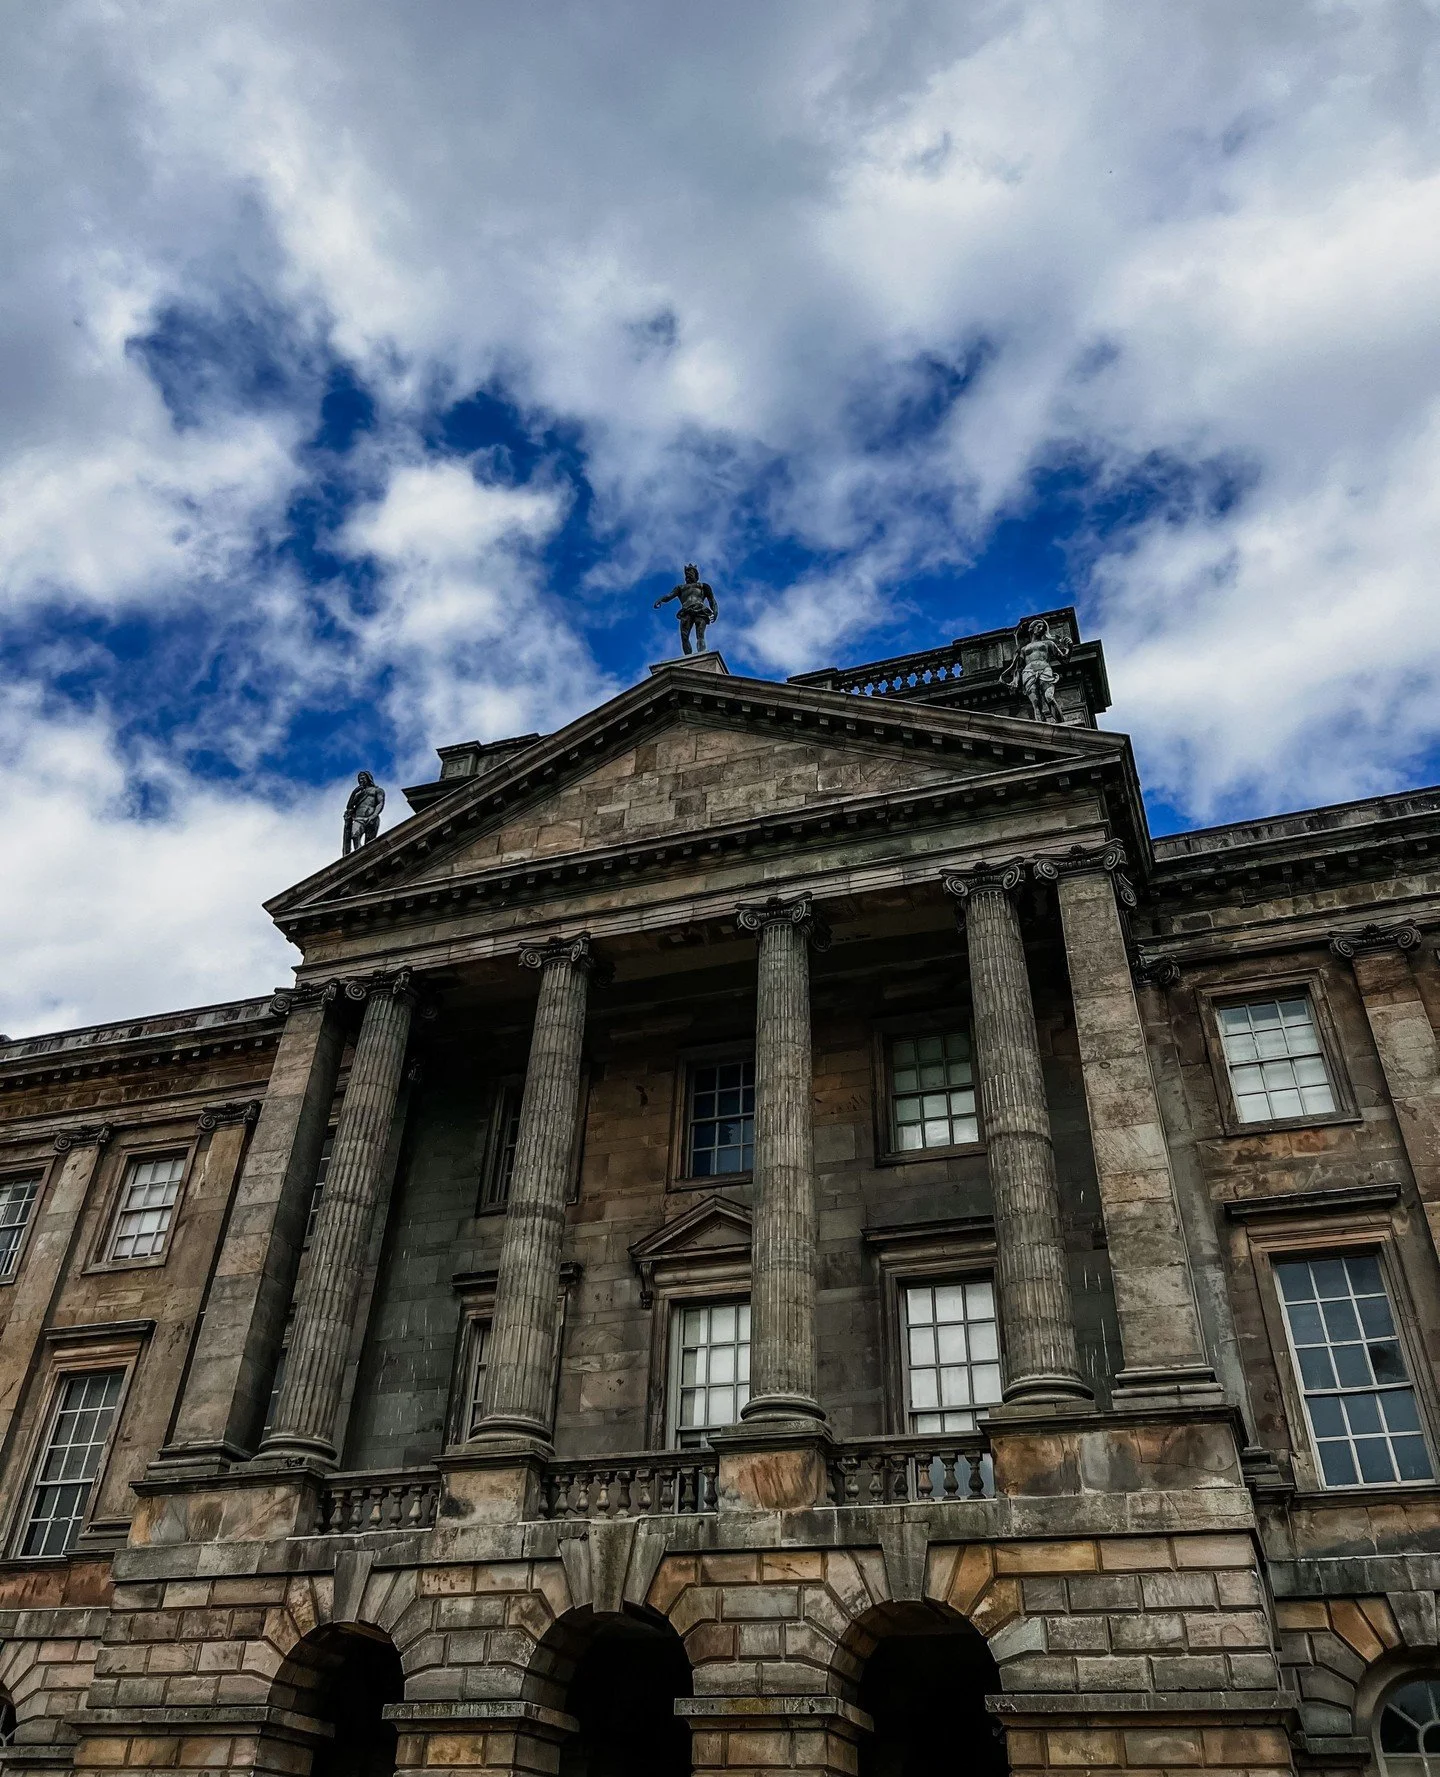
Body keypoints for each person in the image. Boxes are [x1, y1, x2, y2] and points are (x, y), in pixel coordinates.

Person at [1001, 617, 1071, 723]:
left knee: (1049, 697)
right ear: (1032, 629)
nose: (1041, 629)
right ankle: (1043, 728)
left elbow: (1064, 660)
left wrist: (1070, 647)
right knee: (1036, 704)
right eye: (1039, 626)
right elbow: (1018, 668)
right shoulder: (1023, 649)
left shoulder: (1049, 644)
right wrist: (1015, 681)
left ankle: (1062, 723)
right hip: (1028, 673)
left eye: (1043, 627)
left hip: (1045, 670)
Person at [654, 563, 718, 654]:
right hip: (686, 611)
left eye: (691, 572)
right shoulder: (680, 588)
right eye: (687, 572)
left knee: (700, 634)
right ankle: (688, 657)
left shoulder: (703, 586)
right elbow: (669, 596)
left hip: (700, 609)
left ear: (696, 574)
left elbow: (712, 600)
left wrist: (715, 611)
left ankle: (701, 654)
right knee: (684, 636)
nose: (689, 574)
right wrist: (660, 600)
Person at [343, 770, 385, 855]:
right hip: (359, 818)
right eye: (359, 779)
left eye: (362, 778)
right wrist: (354, 792)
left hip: (371, 818)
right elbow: (349, 807)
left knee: (370, 842)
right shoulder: (358, 794)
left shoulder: (377, 790)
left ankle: (368, 856)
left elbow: (380, 803)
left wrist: (374, 815)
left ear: (368, 778)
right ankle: (359, 854)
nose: (361, 780)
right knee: (354, 835)